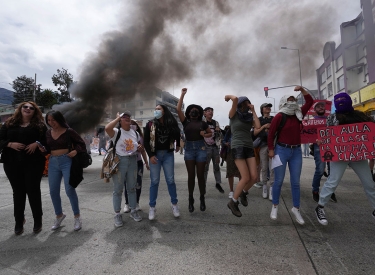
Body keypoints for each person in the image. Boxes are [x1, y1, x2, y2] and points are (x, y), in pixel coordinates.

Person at [315, 92, 375, 225]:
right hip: (339, 156)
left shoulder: (360, 116)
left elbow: (370, 133)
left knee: (369, 183)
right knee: (333, 181)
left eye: (344, 99)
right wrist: (322, 142)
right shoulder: (332, 118)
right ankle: (320, 207)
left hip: (358, 156)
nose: (341, 101)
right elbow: (327, 135)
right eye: (338, 100)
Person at [268, 86, 313, 225]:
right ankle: (275, 206)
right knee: (278, 181)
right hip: (281, 151)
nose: (292, 101)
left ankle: (296, 208)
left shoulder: (299, 113)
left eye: (294, 99)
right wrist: (271, 149)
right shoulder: (279, 116)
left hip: (296, 152)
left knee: (295, 182)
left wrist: (303, 89)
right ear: (283, 102)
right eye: (289, 99)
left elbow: (310, 101)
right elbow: (271, 133)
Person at [0, 102, 47, 235]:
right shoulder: (9, 123)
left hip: (34, 163)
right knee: (18, 192)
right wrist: (10, 144)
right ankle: (19, 221)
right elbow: (0, 139)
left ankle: (38, 221)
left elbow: (46, 141)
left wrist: (36, 144)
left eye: (31, 108)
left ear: (35, 111)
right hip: (12, 162)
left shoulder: (39, 125)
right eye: (25, 107)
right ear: (20, 109)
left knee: (33, 192)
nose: (28, 109)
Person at [43, 110, 86, 231]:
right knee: (53, 191)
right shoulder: (47, 133)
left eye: (53, 120)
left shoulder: (69, 131)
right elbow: (47, 148)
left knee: (69, 189)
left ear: (59, 119)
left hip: (67, 161)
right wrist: (42, 149)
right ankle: (59, 215)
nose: (51, 123)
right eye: (49, 120)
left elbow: (81, 143)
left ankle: (77, 216)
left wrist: (75, 151)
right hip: (53, 162)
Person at [105, 111, 144, 226]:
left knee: (132, 188)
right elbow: (107, 128)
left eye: (128, 117)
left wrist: (140, 148)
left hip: (132, 161)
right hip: (120, 162)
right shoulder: (117, 132)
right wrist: (117, 118)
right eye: (124, 117)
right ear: (120, 120)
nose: (127, 118)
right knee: (118, 189)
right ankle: (117, 214)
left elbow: (138, 146)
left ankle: (133, 211)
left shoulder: (135, 133)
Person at [225, 95, 261, 217]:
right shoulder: (233, 115)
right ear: (240, 104)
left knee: (254, 177)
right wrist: (227, 97)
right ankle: (233, 202)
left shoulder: (249, 117)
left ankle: (243, 192)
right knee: (245, 177)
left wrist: (254, 111)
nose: (247, 105)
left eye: (248, 103)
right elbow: (234, 98)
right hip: (238, 146)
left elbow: (257, 126)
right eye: (245, 103)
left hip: (249, 147)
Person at [177, 88, 211, 213]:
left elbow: (210, 133)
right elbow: (178, 109)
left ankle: (202, 198)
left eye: (196, 110)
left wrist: (204, 134)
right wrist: (182, 95)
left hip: (201, 148)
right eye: (191, 110)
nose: (194, 111)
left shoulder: (203, 123)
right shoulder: (185, 122)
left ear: (199, 113)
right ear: (188, 113)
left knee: (201, 176)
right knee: (191, 176)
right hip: (189, 149)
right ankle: (191, 199)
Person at [144, 105, 181, 220]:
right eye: (155, 109)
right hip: (155, 155)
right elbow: (146, 141)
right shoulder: (150, 124)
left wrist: (178, 144)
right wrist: (150, 155)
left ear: (164, 111)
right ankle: (152, 207)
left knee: (170, 180)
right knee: (154, 181)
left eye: (159, 109)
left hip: (168, 155)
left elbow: (177, 133)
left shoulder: (170, 123)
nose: (156, 111)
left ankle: (174, 204)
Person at [311, 101, 337, 203]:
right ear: (315, 109)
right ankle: (315, 191)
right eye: (318, 106)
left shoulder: (330, 119)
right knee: (320, 170)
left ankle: (330, 191)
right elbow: (309, 134)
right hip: (318, 147)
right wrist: (315, 140)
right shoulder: (312, 120)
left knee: (332, 171)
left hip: (331, 147)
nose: (321, 107)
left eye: (322, 106)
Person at [123, 120, 149, 213]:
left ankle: (136, 202)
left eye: (134, 125)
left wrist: (146, 162)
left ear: (137, 127)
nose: (132, 126)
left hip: (138, 163)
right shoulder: (124, 135)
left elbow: (143, 151)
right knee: (128, 184)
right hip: (128, 163)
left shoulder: (140, 137)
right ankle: (127, 203)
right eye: (131, 125)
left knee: (138, 184)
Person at [254, 103, 274, 200]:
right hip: (263, 145)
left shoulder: (274, 118)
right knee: (264, 167)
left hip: (273, 146)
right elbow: (255, 132)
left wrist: (271, 128)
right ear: (262, 109)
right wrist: (264, 127)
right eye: (266, 107)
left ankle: (272, 188)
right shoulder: (259, 120)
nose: (268, 108)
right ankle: (265, 186)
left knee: (273, 168)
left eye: (269, 107)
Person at [203, 107, 224, 193]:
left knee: (216, 166)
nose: (210, 112)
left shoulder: (216, 123)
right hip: (205, 147)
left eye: (212, 111)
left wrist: (218, 131)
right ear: (204, 113)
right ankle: (203, 185)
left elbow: (219, 136)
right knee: (205, 167)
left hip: (215, 147)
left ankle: (218, 183)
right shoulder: (202, 123)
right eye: (208, 111)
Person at [222, 127, 241, 199]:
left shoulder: (242, 129)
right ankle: (231, 191)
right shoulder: (230, 130)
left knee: (241, 172)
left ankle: (240, 190)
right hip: (230, 152)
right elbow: (223, 141)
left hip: (240, 152)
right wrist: (226, 143)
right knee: (230, 172)